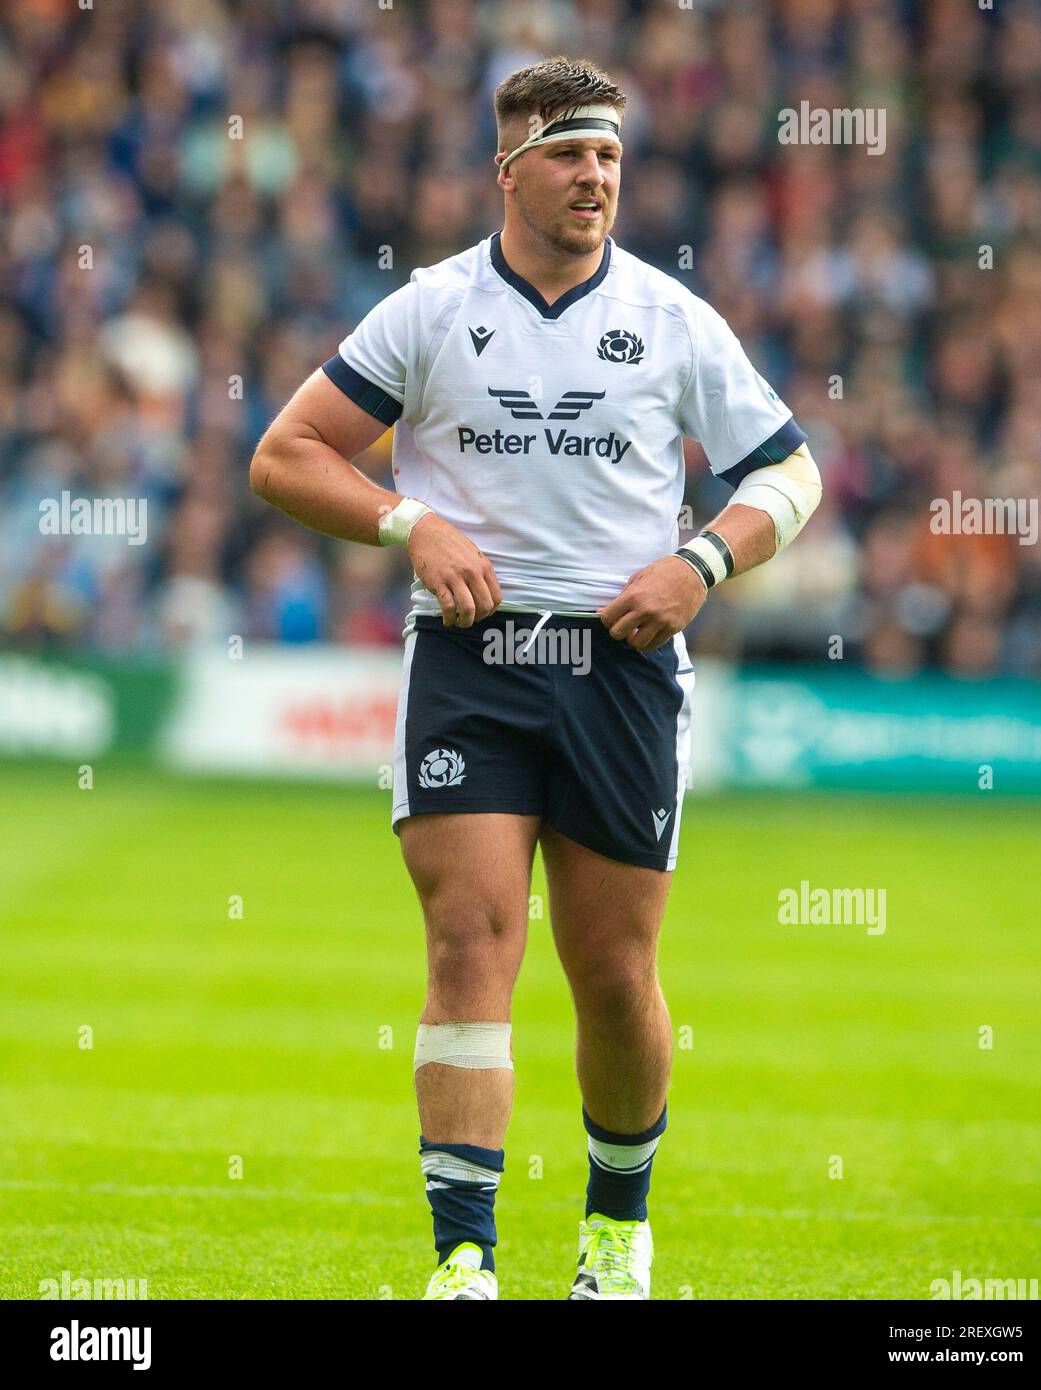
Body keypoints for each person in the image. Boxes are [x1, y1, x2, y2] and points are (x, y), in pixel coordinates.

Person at [251, 56, 821, 1301]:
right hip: (472, 662)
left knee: (613, 972)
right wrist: (411, 525)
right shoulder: (431, 309)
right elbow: (286, 455)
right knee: (471, 942)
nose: (594, 177)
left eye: (609, 156)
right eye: (569, 154)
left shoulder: (672, 319)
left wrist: (703, 562)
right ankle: (464, 1260)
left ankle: (616, 1230)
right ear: (508, 167)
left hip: (621, 667)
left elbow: (789, 474)